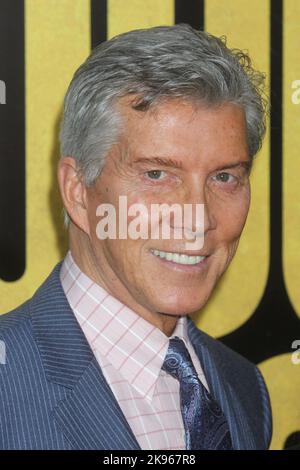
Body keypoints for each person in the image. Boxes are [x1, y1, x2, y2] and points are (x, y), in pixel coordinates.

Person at [0, 24, 272, 450]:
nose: (197, 219)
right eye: (157, 174)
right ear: (77, 191)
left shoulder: (242, 386)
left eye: (224, 177)